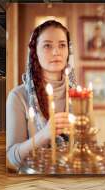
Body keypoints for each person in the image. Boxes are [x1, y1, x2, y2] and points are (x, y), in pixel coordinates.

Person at [6, 20, 77, 171]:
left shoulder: (79, 96)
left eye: (62, 45)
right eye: (47, 45)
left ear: (68, 51)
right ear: (35, 52)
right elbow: (12, 158)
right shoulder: (18, 97)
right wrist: (44, 135)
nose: (56, 52)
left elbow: (91, 145)